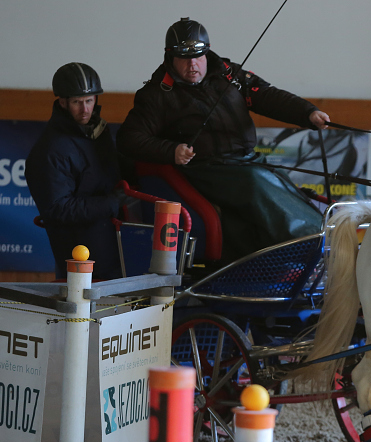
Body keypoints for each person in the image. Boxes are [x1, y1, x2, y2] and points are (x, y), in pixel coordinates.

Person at [117, 17, 329, 262]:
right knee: (253, 181)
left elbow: (267, 96)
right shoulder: (156, 94)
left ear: (207, 53)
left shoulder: (230, 75)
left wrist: (308, 112)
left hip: (248, 161)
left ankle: (317, 239)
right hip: (207, 169)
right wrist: (171, 150)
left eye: (198, 56)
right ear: (170, 59)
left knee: (278, 181)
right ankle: (306, 243)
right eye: (184, 58)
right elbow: (128, 139)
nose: (192, 64)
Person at [26, 63, 125, 280]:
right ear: (62, 102)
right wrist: (111, 204)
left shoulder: (98, 132)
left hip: (111, 246)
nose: (85, 109)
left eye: (89, 101)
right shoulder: (51, 149)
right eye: (77, 102)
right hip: (82, 258)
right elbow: (58, 208)